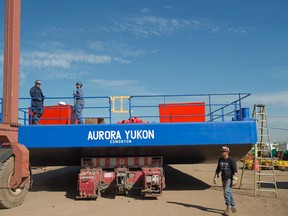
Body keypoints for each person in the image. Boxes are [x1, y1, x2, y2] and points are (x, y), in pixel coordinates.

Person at [213, 146, 238, 216]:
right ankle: (233, 206)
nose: (221, 152)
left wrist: (235, 179)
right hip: (223, 178)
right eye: (221, 151)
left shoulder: (231, 160)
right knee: (229, 192)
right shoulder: (220, 160)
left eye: (223, 151)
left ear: (227, 152)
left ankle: (228, 208)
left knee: (226, 192)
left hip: (229, 178)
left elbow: (235, 170)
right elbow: (218, 169)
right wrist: (215, 176)